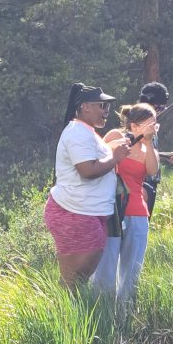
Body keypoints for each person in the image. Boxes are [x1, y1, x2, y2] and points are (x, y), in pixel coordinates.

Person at [44, 83, 130, 291]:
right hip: (74, 213)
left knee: (76, 282)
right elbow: (87, 170)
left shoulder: (87, 132)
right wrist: (115, 158)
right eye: (101, 105)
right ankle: (62, 318)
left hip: (86, 213)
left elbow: (95, 158)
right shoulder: (77, 133)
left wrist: (116, 149)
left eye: (108, 106)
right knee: (72, 282)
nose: (106, 110)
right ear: (85, 107)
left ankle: (68, 317)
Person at [92, 103, 159, 305]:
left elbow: (153, 170)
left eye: (154, 124)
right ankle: (101, 313)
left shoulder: (148, 148)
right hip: (112, 212)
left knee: (131, 272)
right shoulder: (114, 136)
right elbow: (97, 156)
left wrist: (147, 141)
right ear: (134, 124)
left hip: (138, 213)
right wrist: (123, 143)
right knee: (106, 267)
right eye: (149, 123)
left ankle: (125, 316)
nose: (153, 127)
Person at [138, 82, 169, 217]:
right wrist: (141, 187)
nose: (161, 111)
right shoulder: (136, 124)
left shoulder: (151, 125)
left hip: (152, 184)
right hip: (143, 185)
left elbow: (147, 151)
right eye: (160, 108)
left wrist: (168, 156)